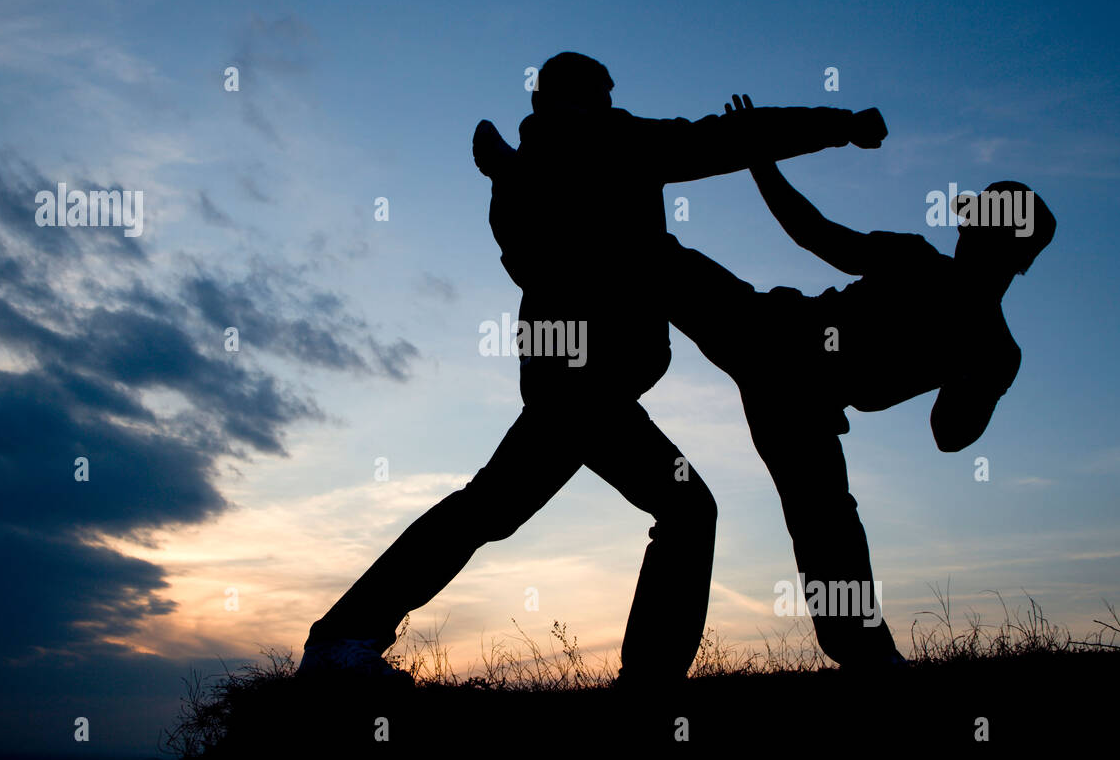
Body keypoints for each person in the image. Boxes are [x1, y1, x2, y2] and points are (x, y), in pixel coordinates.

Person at [300, 57, 887, 685]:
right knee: (680, 509)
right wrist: (841, 124)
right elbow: (724, 139)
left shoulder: (529, 170)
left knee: (492, 508)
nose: (611, 103)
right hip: (587, 383)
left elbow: (528, 260)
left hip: (570, 378)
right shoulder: (611, 143)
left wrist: (515, 173)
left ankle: (344, 636)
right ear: (584, 98)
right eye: (604, 95)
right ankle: (645, 682)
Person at [662, 93, 1057, 666]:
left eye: (976, 221)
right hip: (769, 334)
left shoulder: (990, 344)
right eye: (969, 217)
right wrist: (756, 155)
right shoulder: (932, 278)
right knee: (651, 259)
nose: (964, 226)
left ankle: (870, 657)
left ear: (1010, 251)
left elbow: (949, 435)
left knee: (827, 524)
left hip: (799, 397)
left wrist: (978, 382)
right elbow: (815, 233)